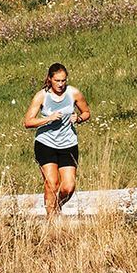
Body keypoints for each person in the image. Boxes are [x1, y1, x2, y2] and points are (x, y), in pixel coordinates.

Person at [22, 62, 91, 216]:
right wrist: (49, 118)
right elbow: (28, 122)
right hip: (46, 143)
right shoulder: (42, 96)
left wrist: (78, 118)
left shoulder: (73, 93)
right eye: (57, 80)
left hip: (68, 144)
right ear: (50, 79)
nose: (61, 84)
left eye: (63, 80)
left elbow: (86, 112)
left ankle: (55, 206)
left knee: (69, 187)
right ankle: (51, 219)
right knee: (52, 183)